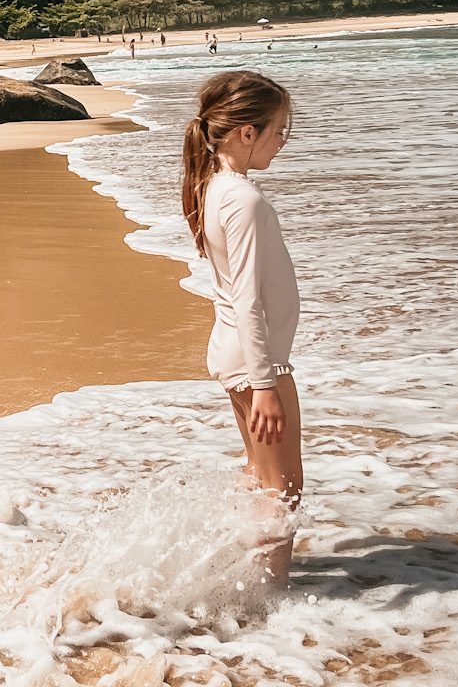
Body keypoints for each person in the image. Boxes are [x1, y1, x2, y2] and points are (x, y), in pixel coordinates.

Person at [181, 70, 301, 586]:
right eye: (279, 131)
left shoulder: (215, 187)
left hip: (233, 351)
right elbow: (249, 299)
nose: (282, 141)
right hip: (255, 361)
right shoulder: (244, 200)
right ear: (246, 133)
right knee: (283, 487)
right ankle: (269, 595)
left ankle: (244, 575)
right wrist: (266, 383)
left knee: (259, 477)